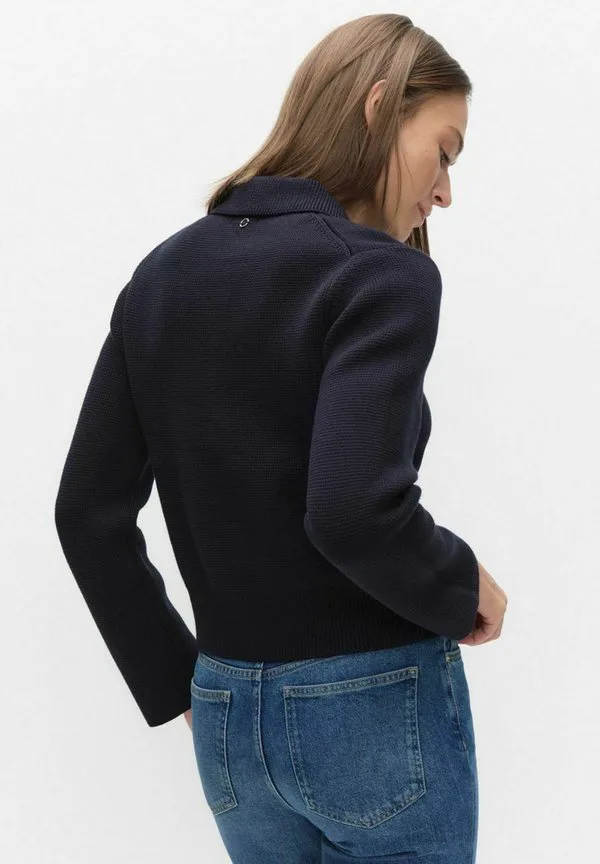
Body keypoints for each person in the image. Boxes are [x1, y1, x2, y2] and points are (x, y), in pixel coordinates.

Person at [55, 12, 507, 863]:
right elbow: (351, 510)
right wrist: (458, 583)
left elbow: (86, 514)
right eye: (444, 152)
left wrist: (180, 684)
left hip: (227, 716)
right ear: (379, 106)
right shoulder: (382, 275)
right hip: (373, 704)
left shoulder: (163, 274)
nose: (445, 191)